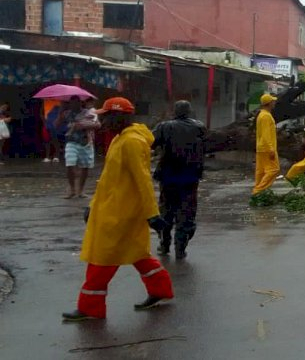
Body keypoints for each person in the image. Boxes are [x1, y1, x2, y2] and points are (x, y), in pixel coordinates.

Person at [62, 97, 174, 322]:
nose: (102, 121)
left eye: (106, 116)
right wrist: (92, 206)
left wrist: (152, 214)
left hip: (121, 215)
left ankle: (90, 307)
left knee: (102, 259)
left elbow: (142, 180)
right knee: (138, 255)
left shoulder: (132, 142)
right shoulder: (119, 139)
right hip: (112, 210)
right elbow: (107, 180)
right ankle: (160, 290)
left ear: (120, 117)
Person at [152, 100, 207, 260]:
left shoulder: (164, 126)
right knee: (187, 212)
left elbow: (151, 141)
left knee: (166, 211)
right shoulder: (199, 127)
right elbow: (207, 146)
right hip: (190, 176)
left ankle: (164, 244)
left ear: (174, 111)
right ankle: (181, 248)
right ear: (189, 111)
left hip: (168, 175)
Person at [59, 96, 101, 198]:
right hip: (71, 142)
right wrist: (61, 113)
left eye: (76, 102)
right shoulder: (66, 113)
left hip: (85, 142)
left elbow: (98, 125)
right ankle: (72, 189)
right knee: (70, 163)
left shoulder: (88, 113)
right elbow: (56, 124)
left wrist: (84, 125)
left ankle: (81, 190)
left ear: (80, 103)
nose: (74, 104)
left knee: (85, 167)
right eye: (72, 102)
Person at [253, 93, 279, 194]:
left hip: (261, 147)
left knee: (261, 171)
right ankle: (258, 190)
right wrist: (271, 149)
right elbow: (265, 134)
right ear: (269, 103)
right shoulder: (265, 116)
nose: (274, 103)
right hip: (267, 148)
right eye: (273, 101)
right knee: (274, 169)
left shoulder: (262, 115)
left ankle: (258, 190)